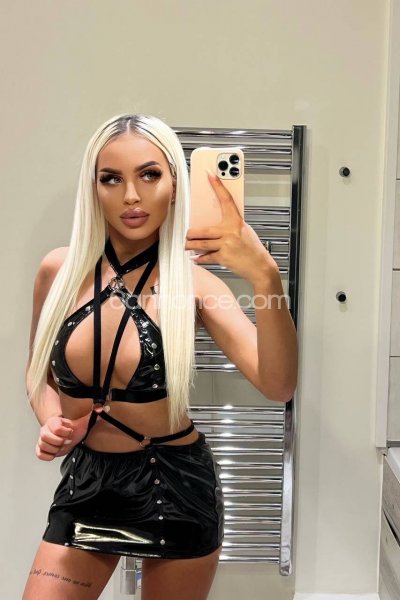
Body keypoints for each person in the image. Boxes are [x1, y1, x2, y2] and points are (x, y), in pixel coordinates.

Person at [23, 113, 298, 600]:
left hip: (174, 484)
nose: (131, 196)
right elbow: (38, 374)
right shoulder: (58, 271)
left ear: (174, 184)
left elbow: (278, 384)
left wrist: (265, 276)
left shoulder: (196, 286)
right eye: (112, 179)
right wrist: (52, 422)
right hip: (87, 483)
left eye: (149, 175)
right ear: (93, 188)